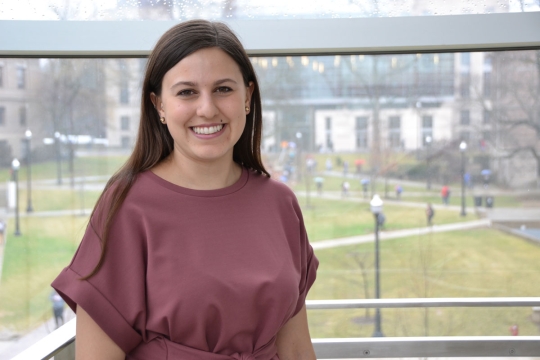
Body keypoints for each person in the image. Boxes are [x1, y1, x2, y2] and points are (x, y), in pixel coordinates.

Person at [51, 20, 318, 360]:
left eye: (223, 89)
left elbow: (295, 348)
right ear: (159, 105)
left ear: (247, 96)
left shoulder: (281, 204)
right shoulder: (127, 207)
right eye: (186, 92)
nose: (207, 108)